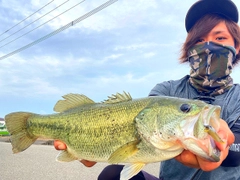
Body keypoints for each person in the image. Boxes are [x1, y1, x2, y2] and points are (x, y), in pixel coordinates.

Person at [54, 0, 240, 179]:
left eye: (220, 38)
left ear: (236, 46)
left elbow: (235, 155)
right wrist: (89, 148)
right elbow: (142, 130)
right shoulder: (166, 91)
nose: (208, 47)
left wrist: (219, 145)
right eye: (199, 40)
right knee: (112, 175)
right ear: (189, 49)